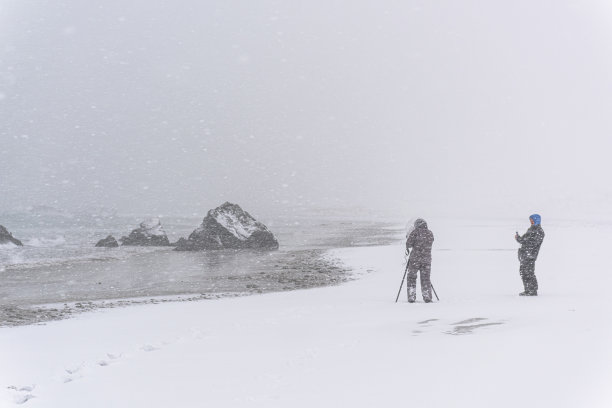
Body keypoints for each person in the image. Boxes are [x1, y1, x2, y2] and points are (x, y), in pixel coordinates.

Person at [514, 214, 545, 296]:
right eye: (530, 220)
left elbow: (531, 242)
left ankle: (532, 290)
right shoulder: (531, 230)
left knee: (529, 273)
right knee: (523, 272)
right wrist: (518, 238)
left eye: (532, 220)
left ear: (537, 220)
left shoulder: (539, 231)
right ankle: (527, 290)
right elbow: (524, 240)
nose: (531, 221)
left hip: (530, 256)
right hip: (525, 255)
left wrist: (523, 241)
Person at [405, 218, 435, 303]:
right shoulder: (430, 233)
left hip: (415, 259)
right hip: (426, 260)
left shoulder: (415, 233)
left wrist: (408, 236)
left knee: (411, 277)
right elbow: (430, 241)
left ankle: (411, 296)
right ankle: (427, 296)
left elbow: (408, 244)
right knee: (425, 278)